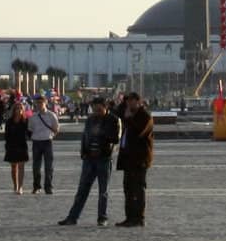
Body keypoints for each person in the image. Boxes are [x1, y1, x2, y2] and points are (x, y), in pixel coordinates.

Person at [58, 97, 120, 227]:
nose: (96, 112)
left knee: (103, 190)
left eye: (99, 109)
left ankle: (102, 217)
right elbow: (85, 136)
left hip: (103, 158)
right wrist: (83, 152)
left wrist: (102, 133)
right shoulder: (90, 120)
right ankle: (72, 217)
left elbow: (116, 139)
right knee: (82, 190)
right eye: (94, 109)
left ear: (105, 107)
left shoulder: (113, 120)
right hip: (89, 158)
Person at [115, 92, 154, 227]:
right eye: (128, 102)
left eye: (132, 101)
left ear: (139, 102)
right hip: (127, 158)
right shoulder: (127, 115)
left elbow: (139, 132)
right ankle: (129, 217)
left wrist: (129, 118)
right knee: (128, 189)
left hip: (139, 159)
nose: (129, 104)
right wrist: (123, 105)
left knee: (138, 189)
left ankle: (139, 218)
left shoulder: (145, 116)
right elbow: (116, 112)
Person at [28, 97, 60, 195]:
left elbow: (56, 128)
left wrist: (51, 136)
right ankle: (36, 186)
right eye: (37, 103)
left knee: (48, 166)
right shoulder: (33, 117)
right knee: (36, 166)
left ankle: (48, 187)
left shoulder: (51, 115)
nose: (39, 104)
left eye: (41, 103)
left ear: (45, 103)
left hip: (47, 142)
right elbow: (30, 129)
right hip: (36, 142)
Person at [4, 97, 29, 194]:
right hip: (12, 145)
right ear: (14, 110)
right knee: (14, 167)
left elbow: (29, 133)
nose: (18, 110)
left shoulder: (25, 121)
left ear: (23, 110)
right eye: (17, 108)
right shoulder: (9, 122)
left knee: (21, 167)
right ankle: (15, 185)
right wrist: (7, 146)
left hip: (22, 145)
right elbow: (6, 135)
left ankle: (20, 187)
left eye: (20, 108)